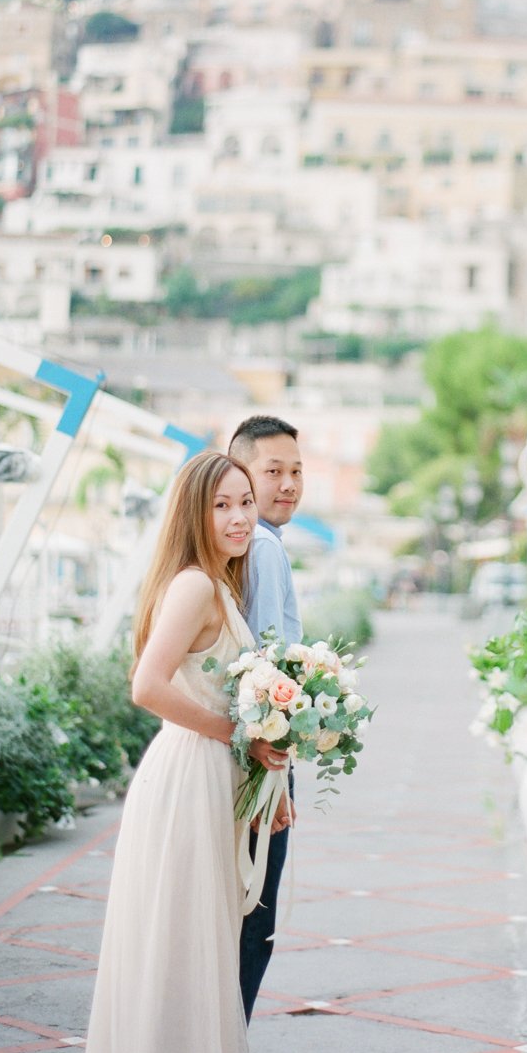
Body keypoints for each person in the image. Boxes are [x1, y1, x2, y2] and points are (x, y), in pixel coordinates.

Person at [85, 450, 290, 1053]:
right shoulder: (197, 584)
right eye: (221, 505)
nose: (239, 518)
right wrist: (237, 739)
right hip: (188, 775)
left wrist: (265, 785)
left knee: (197, 942)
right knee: (181, 943)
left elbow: (229, 705)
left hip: (212, 774)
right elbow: (146, 686)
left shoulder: (219, 584)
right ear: (192, 514)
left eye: (246, 503)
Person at [228, 414, 305, 1022]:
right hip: (262, 752)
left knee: (239, 907)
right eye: (272, 471)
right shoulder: (264, 547)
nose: (288, 484)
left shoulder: (249, 545)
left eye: (296, 471)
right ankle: (229, 1034)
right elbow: (264, 663)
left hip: (251, 746)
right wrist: (274, 773)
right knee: (257, 913)